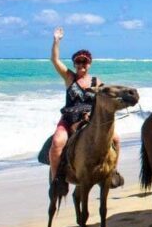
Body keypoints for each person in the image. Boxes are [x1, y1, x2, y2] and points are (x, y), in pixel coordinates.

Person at [48, 27, 121, 184]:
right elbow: (55, 60)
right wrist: (56, 41)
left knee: (116, 139)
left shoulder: (97, 82)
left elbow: (106, 97)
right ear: (74, 64)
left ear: (90, 64)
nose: (81, 64)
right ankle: (56, 180)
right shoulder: (69, 77)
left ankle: (113, 172)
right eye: (78, 61)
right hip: (69, 120)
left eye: (85, 61)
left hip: (91, 119)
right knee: (57, 142)